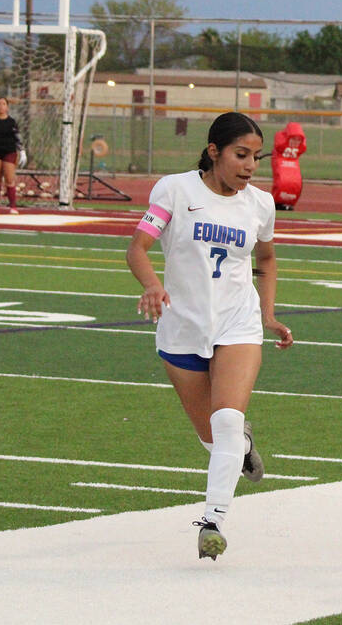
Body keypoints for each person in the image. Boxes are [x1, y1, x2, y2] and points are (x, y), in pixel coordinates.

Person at [125, 111, 293, 561]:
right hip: (182, 328)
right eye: (241, 155)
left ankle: (212, 521)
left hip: (238, 323)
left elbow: (268, 259)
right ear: (214, 151)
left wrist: (268, 311)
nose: (250, 166)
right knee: (215, 439)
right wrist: (152, 285)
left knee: (226, 421)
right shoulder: (175, 190)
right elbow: (137, 247)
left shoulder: (259, 203)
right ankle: (241, 447)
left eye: (256, 158)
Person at [0, 97, 24, 214]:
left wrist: (22, 151)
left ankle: (13, 206)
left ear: (7, 107)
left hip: (9, 152)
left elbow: (17, 138)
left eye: (3, 104)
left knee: (9, 179)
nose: (1, 106)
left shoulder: (11, 122)